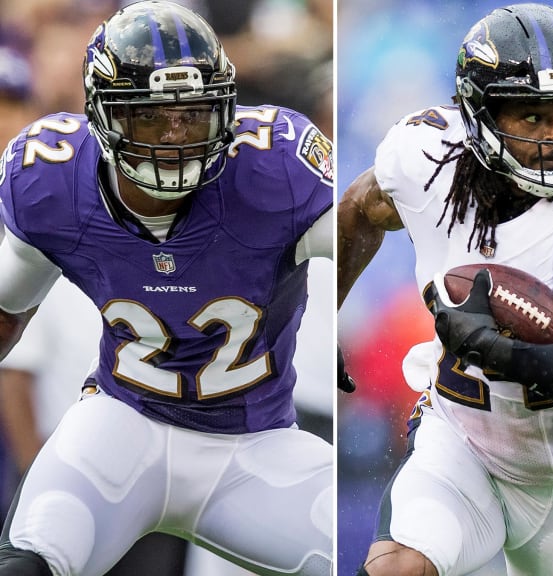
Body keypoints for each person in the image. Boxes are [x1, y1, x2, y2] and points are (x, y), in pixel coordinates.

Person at [337, 3, 553, 574]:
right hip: (460, 447)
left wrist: (497, 352)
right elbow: (358, 210)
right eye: (534, 118)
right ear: (479, 115)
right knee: (397, 568)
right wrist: (325, 316)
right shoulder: (426, 161)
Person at [0, 2, 334, 575]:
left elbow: (354, 230)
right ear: (105, 116)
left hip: (256, 449)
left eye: (193, 114)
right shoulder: (51, 180)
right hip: (121, 426)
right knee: (31, 564)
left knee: (386, 556)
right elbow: (8, 309)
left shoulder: (275, 169)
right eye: (151, 118)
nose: (175, 137)